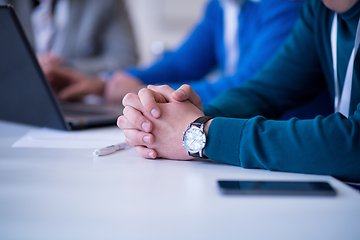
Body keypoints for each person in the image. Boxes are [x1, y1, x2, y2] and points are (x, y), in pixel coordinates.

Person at [117, 0, 360, 184]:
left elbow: (354, 144)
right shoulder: (320, 10)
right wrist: (174, 118)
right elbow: (263, 91)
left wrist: (202, 134)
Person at [43, 0, 304, 103]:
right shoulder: (221, 7)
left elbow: (250, 86)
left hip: (283, 138)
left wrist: (143, 91)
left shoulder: (285, 5)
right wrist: (104, 83)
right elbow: (180, 65)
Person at [0, 0, 138, 75]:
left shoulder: (106, 3)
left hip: (74, 101)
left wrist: (65, 67)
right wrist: (29, 66)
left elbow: (125, 60)